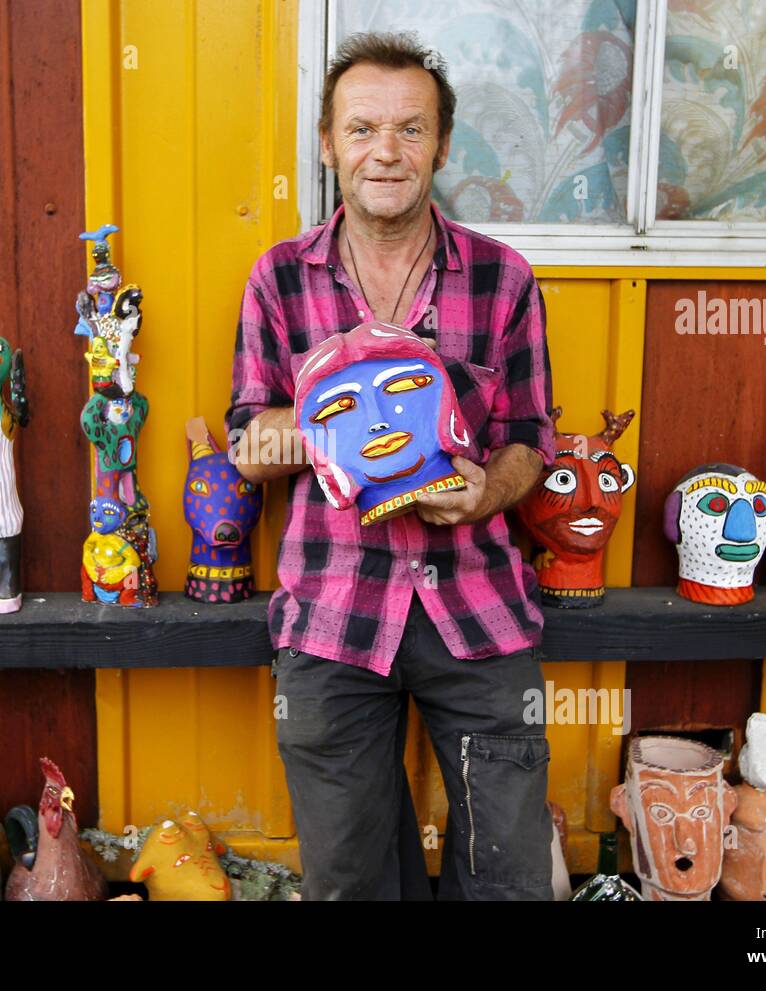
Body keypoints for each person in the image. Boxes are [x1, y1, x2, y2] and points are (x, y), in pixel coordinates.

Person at [225, 31, 557, 900]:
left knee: (509, 881)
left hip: (479, 610)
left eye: (411, 130)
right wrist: (343, 415)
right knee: (348, 881)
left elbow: (532, 438)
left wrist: (489, 487)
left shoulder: (505, 279)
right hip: (334, 611)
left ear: (443, 146)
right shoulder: (278, 281)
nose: (387, 151)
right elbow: (248, 447)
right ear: (329, 144)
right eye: (363, 128)